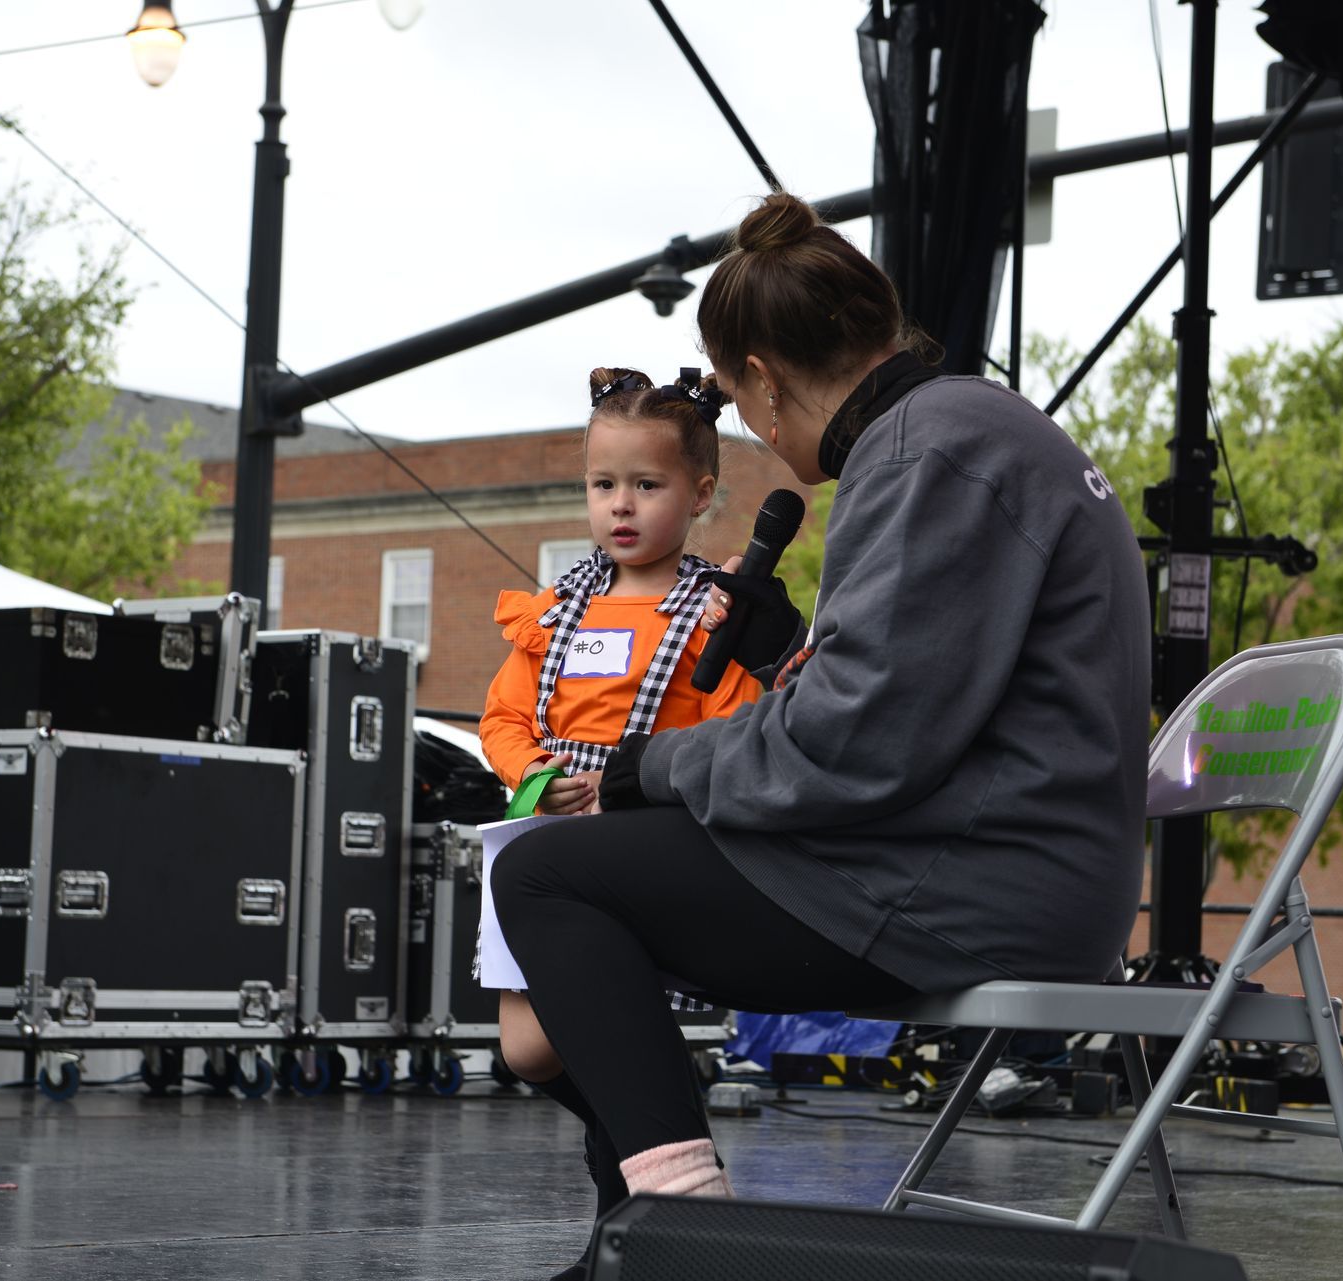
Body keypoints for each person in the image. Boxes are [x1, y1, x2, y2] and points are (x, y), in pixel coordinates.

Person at [493, 192, 1152, 1275]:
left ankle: (682, 1240)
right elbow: (921, 698)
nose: (756, 433)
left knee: (555, 878)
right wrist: (785, 650)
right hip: (1002, 859)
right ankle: (658, 1226)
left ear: (761, 373)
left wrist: (651, 766)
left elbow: (854, 749)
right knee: (584, 880)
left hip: (972, 885)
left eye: (740, 405)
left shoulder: (925, 452)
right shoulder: (966, 431)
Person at [476, 365, 767, 1245]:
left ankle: (635, 1211)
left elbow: (738, 728)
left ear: (701, 492)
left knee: (608, 1023)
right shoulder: (556, 610)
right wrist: (534, 774)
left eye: (648, 484)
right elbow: (504, 716)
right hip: (548, 831)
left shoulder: (714, 612)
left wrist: (658, 780)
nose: (623, 506)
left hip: (649, 846)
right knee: (529, 1049)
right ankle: (660, 1136)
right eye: (605, 485)